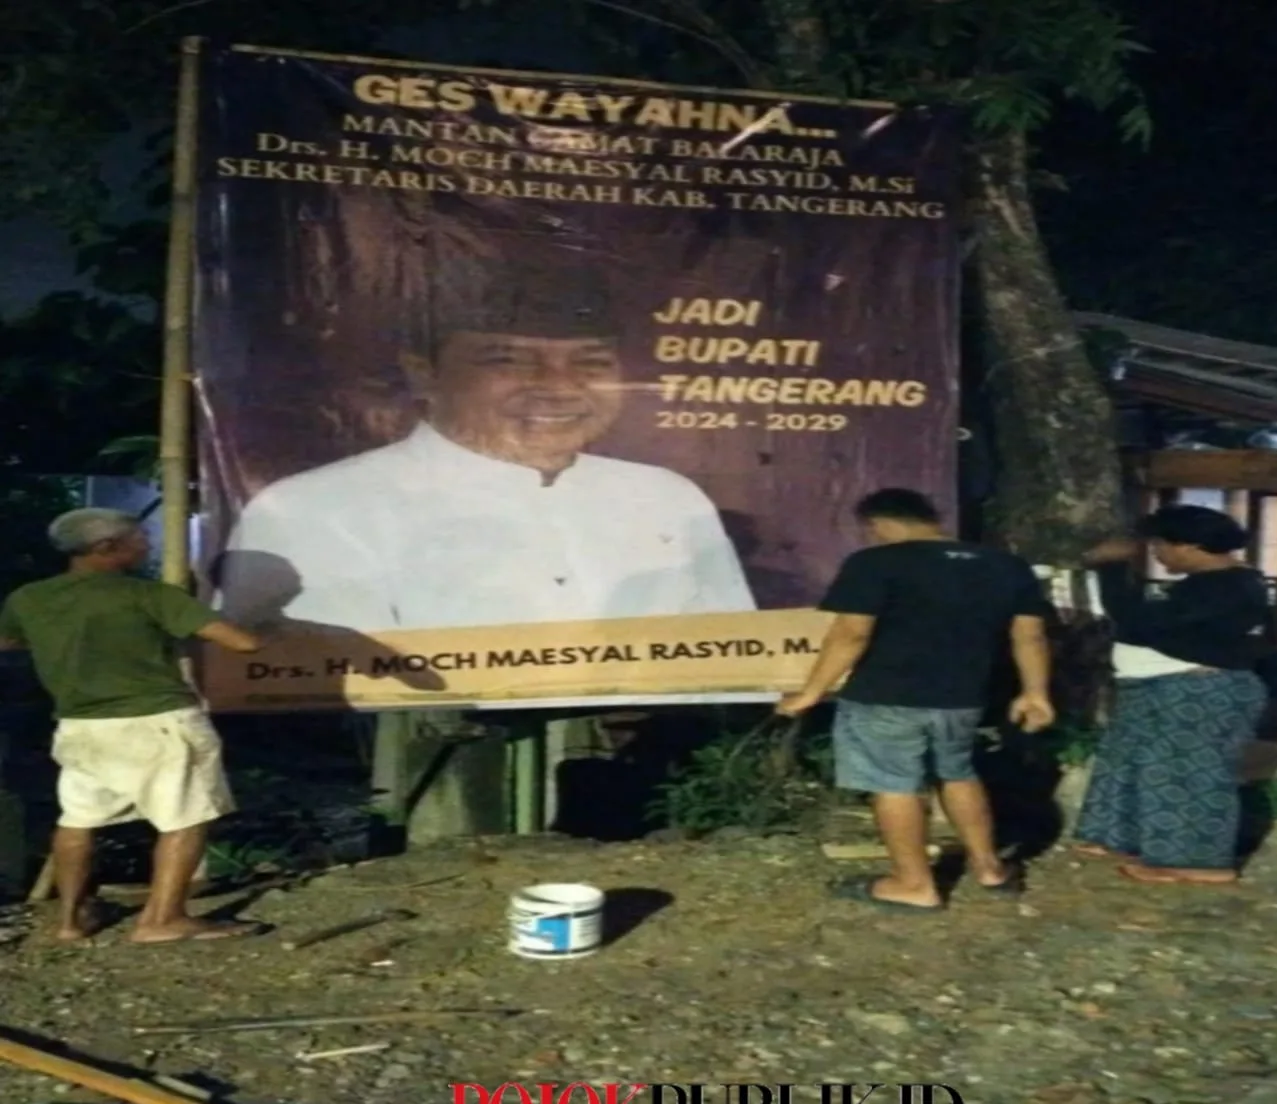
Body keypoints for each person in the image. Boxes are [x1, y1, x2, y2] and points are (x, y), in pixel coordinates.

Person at [216, 256, 755, 631]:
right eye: (509, 359)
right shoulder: (312, 509)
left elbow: (732, 652)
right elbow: (315, 680)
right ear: (425, 374)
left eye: (591, 362)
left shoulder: (665, 496)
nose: (560, 387)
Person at [777, 488, 1055, 910]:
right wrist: (1036, 693)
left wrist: (811, 692)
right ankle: (990, 869)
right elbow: (1029, 635)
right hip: (963, 697)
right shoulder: (1005, 565)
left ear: (879, 523)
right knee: (958, 773)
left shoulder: (875, 563)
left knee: (893, 785)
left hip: (886, 695)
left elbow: (852, 634)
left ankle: (913, 885)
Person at [0, 509, 269, 943]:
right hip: (157, 722)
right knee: (186, 817)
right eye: (138, 537)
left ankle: (70, 921)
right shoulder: (147, 596)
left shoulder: (28, 599)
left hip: (79, 725)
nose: (147, 544)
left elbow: (9, 642)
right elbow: (243, 643)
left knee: (79, 819)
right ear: (107, 548)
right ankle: (161, 920)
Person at [1074, 504, 1269, 885]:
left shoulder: (1227, 586)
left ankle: (1196, 860)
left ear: (1191, 546)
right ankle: (1126, 837)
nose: (1157, 555)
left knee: (1184, 775)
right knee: (1130, 762)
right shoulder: (1205, 585)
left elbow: (1138, 621)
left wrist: (1110, 568)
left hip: (1195, 692)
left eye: (1161, 545)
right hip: (1160, 687)